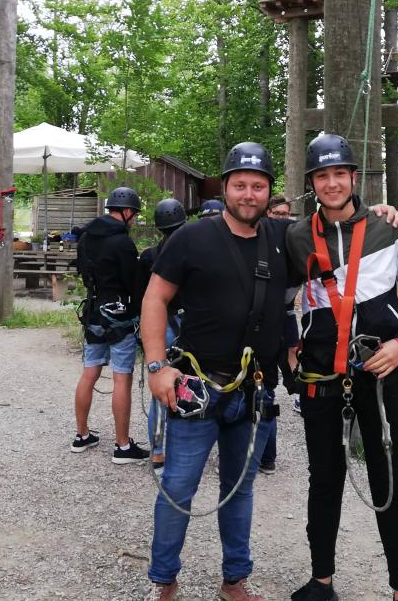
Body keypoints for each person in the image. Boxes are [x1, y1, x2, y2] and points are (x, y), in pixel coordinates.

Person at [285, 133, 398, 601]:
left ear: (354, 178)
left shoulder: (387, 230)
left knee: (388, 479)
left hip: (382, 378)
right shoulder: (293, 237)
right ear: (312, 182)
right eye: (322, 176)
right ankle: (322, 581)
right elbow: (278, 298)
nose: (332, 183)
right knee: (324, 479)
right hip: (323, 381)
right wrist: (289, 346)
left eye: (339, 174)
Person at [140, 142, 285, 601]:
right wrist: (157, 365)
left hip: (255, 390)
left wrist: (379, 211)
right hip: (195, 387)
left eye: (257, 186)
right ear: (225, 188)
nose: (248, 194)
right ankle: (164, 582)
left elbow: (339, 227)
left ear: (268, 192)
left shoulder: (282, 240)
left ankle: (234, 581)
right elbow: (154, 299)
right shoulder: (191, 238)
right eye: (239, 185)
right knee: (178, 487)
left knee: (239, 491)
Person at [72, 186, 150, 465]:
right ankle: (122, 445)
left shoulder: (85, 238)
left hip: (94, 310)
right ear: (127, 212)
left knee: (89, 373)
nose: (134, 220)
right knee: (121, 378)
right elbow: (133, 282)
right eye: (134, 215)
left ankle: (81, 435)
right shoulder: (122, 243)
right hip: (119, 315)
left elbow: (82, 271)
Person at [136, 198, 188, 474]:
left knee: (160, 389)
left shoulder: (148, 256)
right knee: (187, 385)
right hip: (184, 324)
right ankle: (182, 450)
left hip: (158, 326)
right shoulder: (193, 251)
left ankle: (157, 452)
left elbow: (143, 295)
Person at [258, 194, 296, 475]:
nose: (282, 219)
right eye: (278, 214)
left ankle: (267, 456)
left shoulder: (292, 240)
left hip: (282, 317)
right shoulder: (257, 236)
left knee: (269, 385)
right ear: (268, 213)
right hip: (256, 321)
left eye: (286, 214)